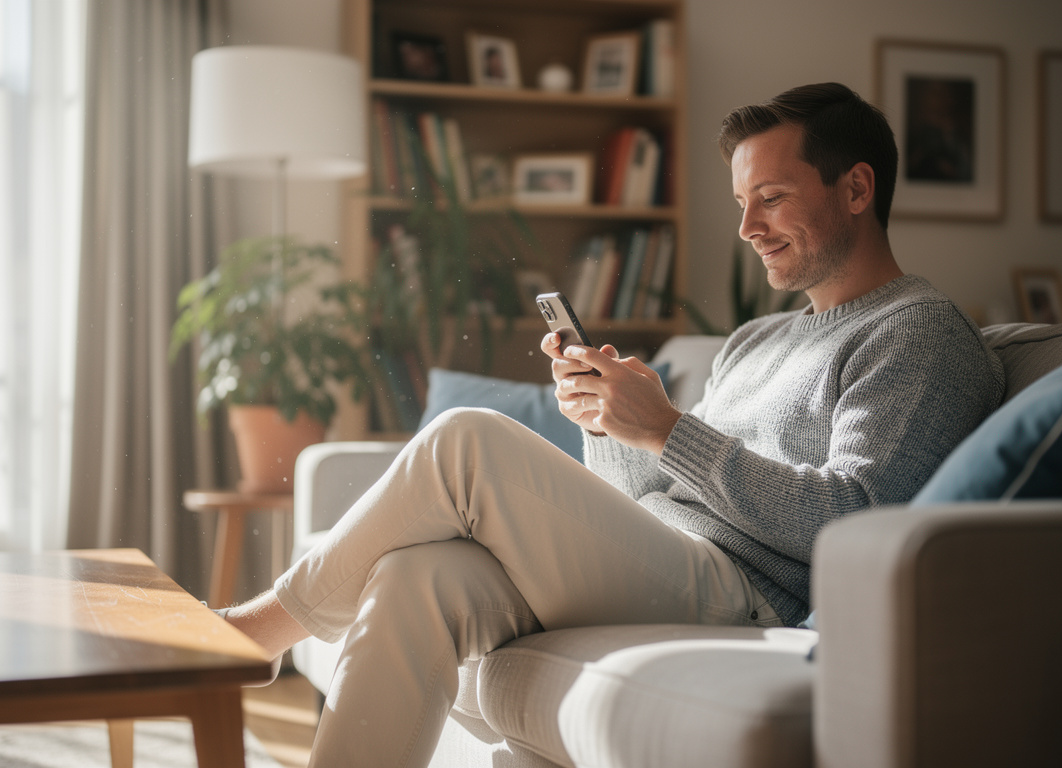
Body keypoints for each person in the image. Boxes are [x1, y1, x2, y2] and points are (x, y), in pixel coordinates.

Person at [219, 82, 1005, 767]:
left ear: (857, 189)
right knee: (414, 578)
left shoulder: (918, 331)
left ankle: (258, 631)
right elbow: (645, 497)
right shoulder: (756, 340)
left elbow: (856, 520)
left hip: (750, 593)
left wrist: (668, 429)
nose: (747, 227)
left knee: (465, 439)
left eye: (771, 197)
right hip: (668, 560)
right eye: (741, 203)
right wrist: (611, 425)